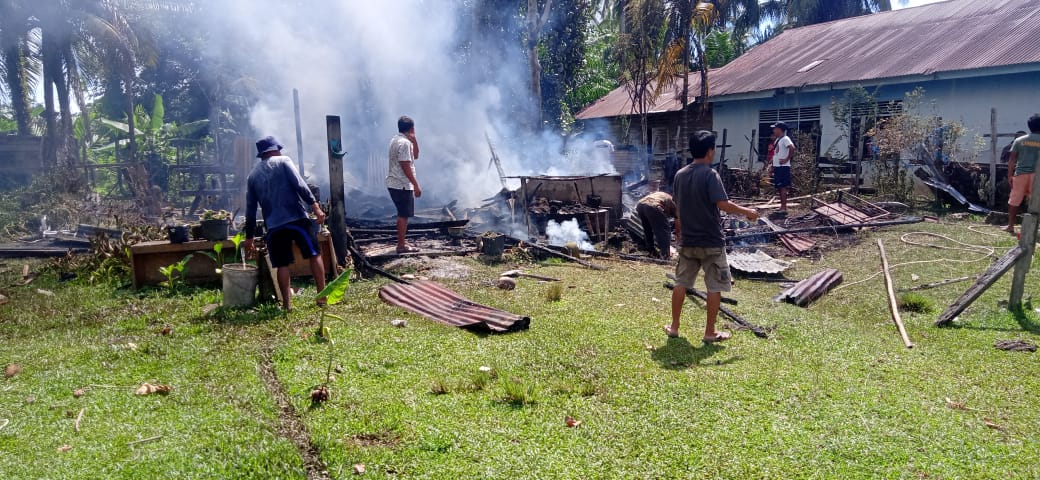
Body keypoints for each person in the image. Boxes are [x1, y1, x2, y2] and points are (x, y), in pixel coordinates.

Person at [666, 131, 759, 342]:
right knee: (714, 286)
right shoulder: (710, 175)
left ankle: (674, 327)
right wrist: (748, 212)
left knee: (681, 283)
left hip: (688, 241)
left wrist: (679, 233)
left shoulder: (680, 175)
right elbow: (723, 204)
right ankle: (709, 332)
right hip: (711, 242)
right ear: (710, 151)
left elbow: (677, 208)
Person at [243, 136, 327, 311]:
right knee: (314, 254)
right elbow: (300, 185)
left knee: (282, 264)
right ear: (274, 150)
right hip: (296, 218)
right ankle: (322, 298)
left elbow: (250, 209)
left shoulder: (252, 176)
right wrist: (316, 207)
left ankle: (287, 305)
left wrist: (249, 237)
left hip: (273, 226)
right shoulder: (283, 161)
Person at [387, 116, 422, 253]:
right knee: (403, 215)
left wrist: (414, 140)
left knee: (403, 214)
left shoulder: (396, 139)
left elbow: (416, 156)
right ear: (412, 128)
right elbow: (405, 165)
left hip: (395, 183)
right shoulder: (404, 143)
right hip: (401, 184)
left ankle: (402, 242)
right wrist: (416, 185)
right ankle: (401, 246)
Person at [1006, 115, 1040, 234]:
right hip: (1038, 176)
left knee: (1014, 201)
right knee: (1037, 202)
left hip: (1020, 174)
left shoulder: (1019, 140)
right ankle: (1035, 229)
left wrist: (1010, 175)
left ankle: (1010, 226)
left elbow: (1012, 160)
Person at [636, 190, 677, 259]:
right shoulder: (672, 202)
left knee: (648, 229)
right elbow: (677, 218)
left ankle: (650, 250)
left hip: (640, 205)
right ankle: (666, 255)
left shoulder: (661, 195)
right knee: (664, 230)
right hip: (652, 206)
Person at [769, 121, 795, 215]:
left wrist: (786, 159)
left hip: (783, 167)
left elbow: (792, 148)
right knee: (779, 187)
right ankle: (782, 207)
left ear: (779, 129)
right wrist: (772, 166)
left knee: (783, 187)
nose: (773, 130)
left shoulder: (785, 138)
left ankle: (784, 208)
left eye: (775, 128)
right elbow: (776, 154)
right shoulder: (777, 140)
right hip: (777, 167)